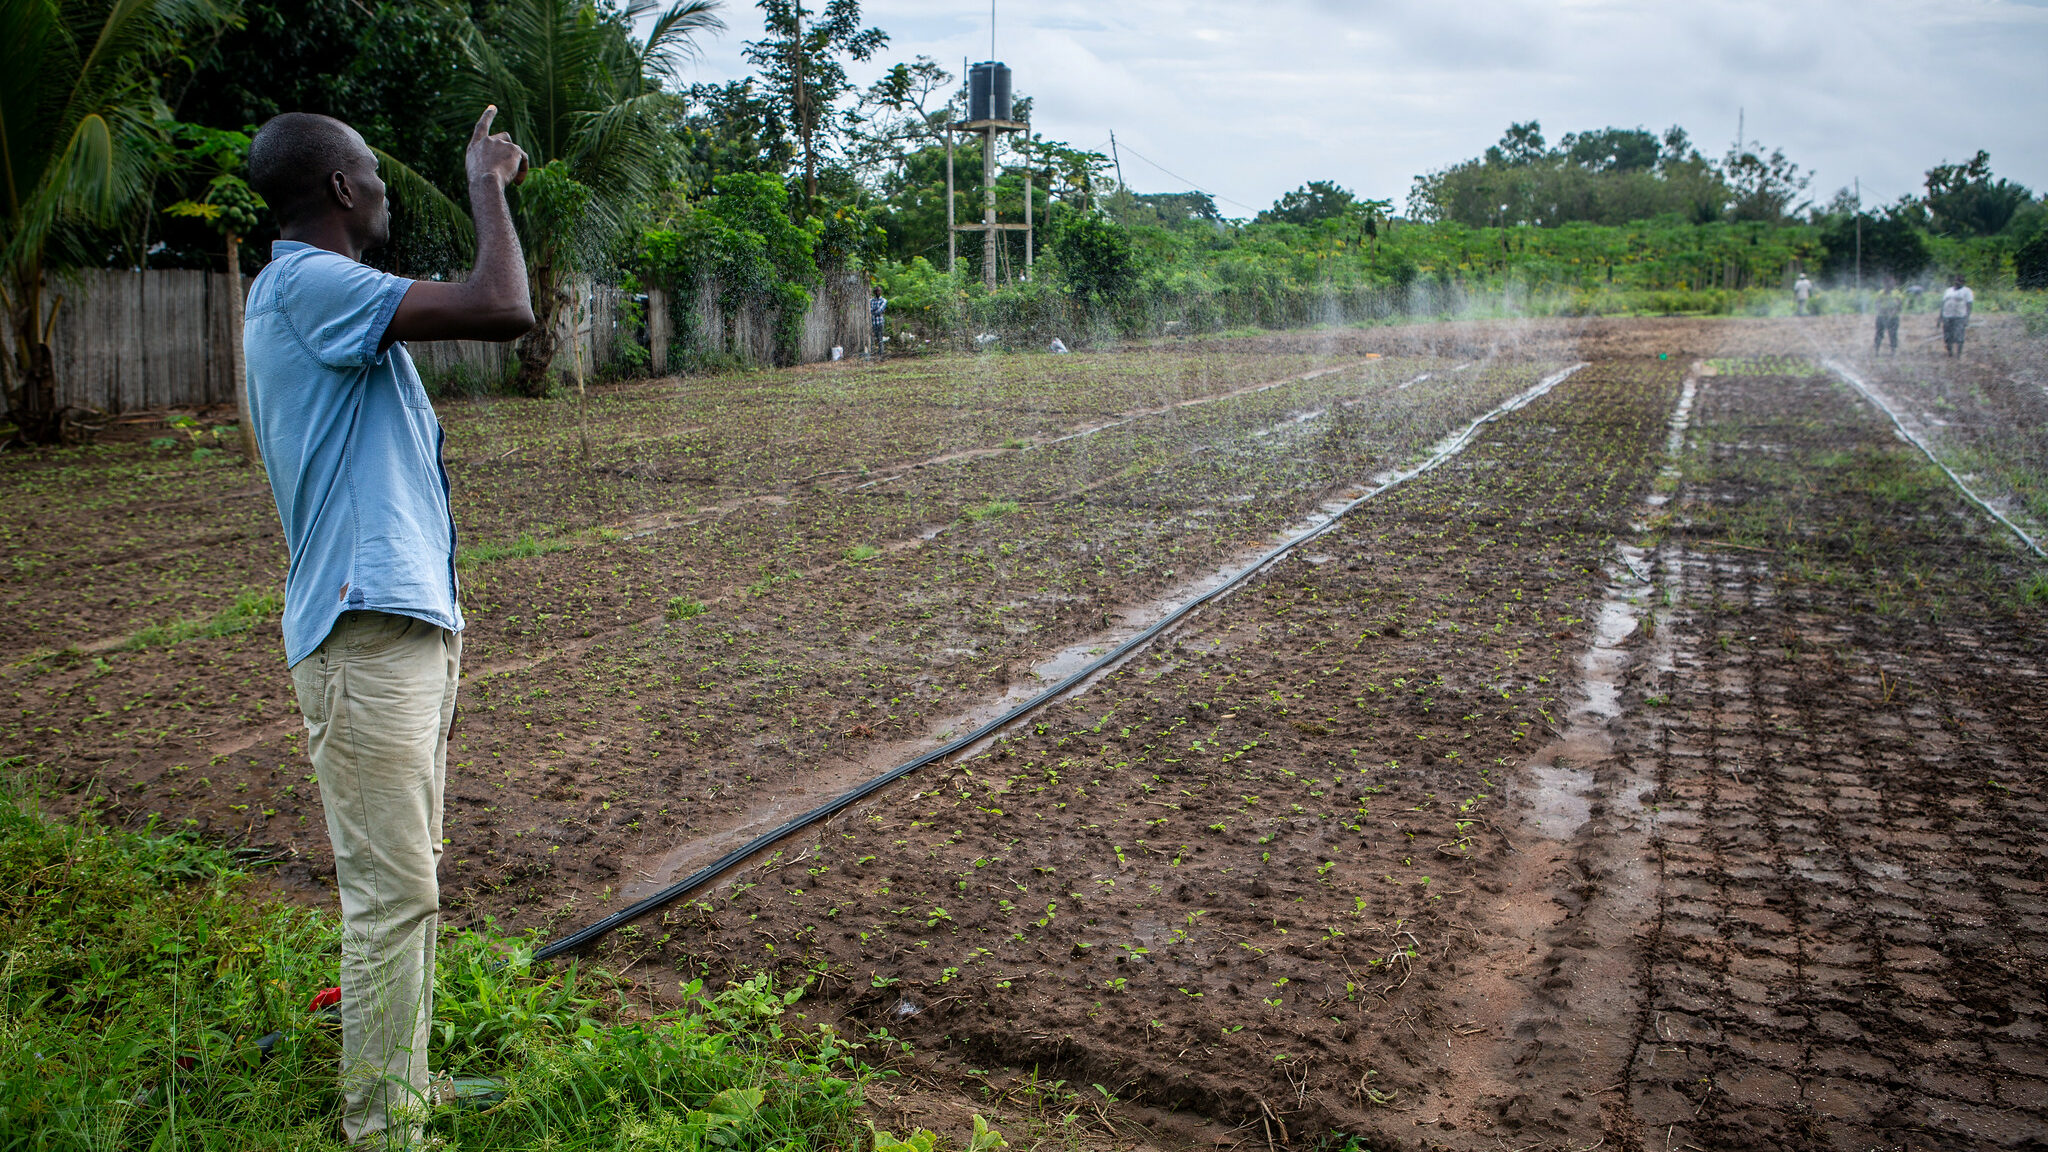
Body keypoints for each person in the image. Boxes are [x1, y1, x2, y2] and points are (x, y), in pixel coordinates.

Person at [244, 107, 533, 1147]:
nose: (384, 186)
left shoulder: (319, 297)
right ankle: (381, 1126)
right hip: (363, 634)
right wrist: (486, 184)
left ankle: (397, 1085)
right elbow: (502, 306)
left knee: (406, 880)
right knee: (391, 894)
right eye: (372, 171)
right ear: (338, 192)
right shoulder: (310, 284)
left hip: (395, 627)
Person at [1940, 273, 1973, 357]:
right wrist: (1940, 317)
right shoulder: (1948, 291)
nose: (1958, 282)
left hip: (1960, 317)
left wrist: (1967, 318)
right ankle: (1950, 353)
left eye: (1960, 281)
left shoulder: (1967, 291)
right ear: (1954, 281)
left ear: (1963, 282)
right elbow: (1943, 304)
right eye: (1956, 280)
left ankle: (1958, 354)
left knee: (1959, 336)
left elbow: (1969, 305)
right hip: (1947, 316)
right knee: (1947, 336)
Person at [1873, 277, 1902, 354]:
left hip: (1893, 318)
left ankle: (1893, 351)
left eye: (1893, 283)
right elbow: (1877, 304)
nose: (1892, 285)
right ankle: (1876, 350)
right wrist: (1883, 311)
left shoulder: (1896, 293)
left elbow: (1899, 305)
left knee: (1893, 334)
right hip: (1882, 316)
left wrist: (1892, 312)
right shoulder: (1880, 293)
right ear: (1885, 284)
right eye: (1890, 283)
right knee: (1879, 334)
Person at [870, 286, 887, 357]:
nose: (878, 292)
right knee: (872, 338)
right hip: (872, 322)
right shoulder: (870, 300)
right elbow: (869, 310)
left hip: (880, 322)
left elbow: (880, 310)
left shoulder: (884, 300)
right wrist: (875, 311)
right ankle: (873, 353)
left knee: (880, 338)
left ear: (881, 292)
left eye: (879, 291)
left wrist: (874, 311)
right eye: (876, 291)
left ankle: (881, 354)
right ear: (874, 292)